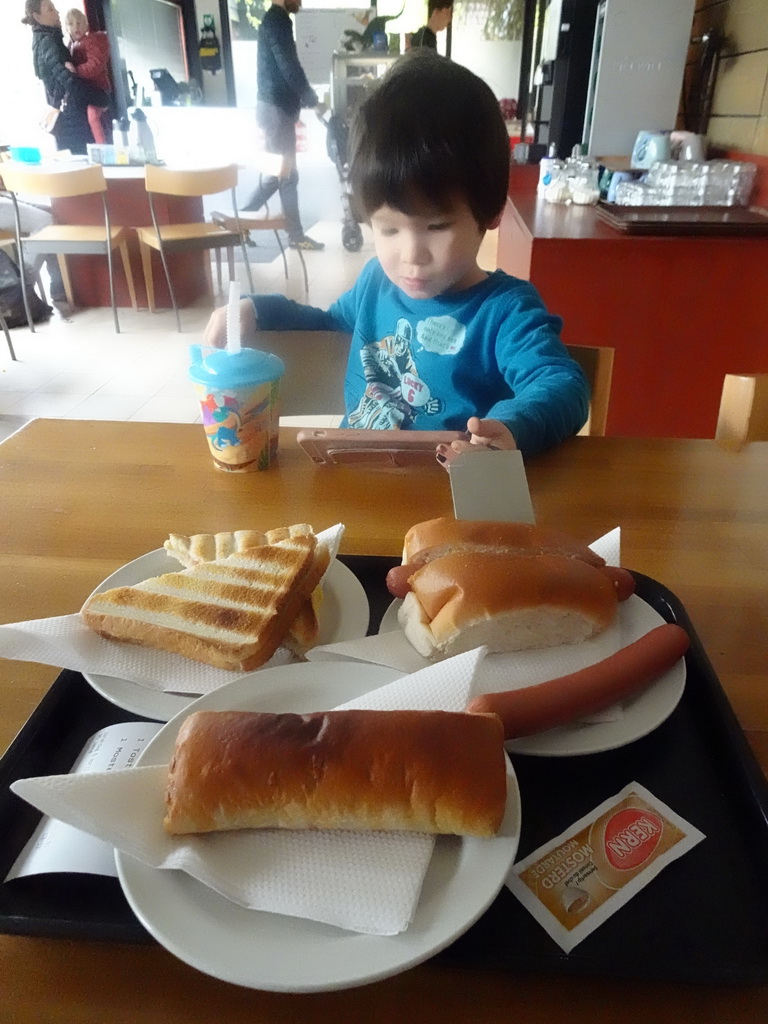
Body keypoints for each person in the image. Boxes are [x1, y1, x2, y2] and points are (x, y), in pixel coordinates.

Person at [204, 50, 589, 459]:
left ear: (490, 211)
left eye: (437, 227)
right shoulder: (375, 282)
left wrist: (514, 425)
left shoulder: (505, 310)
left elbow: (561, 383)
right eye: (388, 228)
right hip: (354, 482)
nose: (411, 255)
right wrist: (257, 311)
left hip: (450, 498)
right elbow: (328, 326)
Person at [241, 0, 326, 252]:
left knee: (279, 174)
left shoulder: (275, 20)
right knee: (286, 175)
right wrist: (312, 100)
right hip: (275, 109)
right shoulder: (277, 20)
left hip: (274, 109)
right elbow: (288, 66)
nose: (300, 1)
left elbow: (287, 67)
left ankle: (238, 222)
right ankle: (295, 235)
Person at [21, 0, 109, 155]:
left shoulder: (47, 40)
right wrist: (100, 97)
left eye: (54, 8)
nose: (57, 12)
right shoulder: (48, 42)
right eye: (50, 9)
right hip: (72, 119)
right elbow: (67, 80)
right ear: (37, 17)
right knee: (85, 165)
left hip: (68, 115)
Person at [64, 8, 111, 145]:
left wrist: (75, 71)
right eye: (71, 24)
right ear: (66, 28)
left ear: (86, 24)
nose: (76, 26)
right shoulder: (72, 45)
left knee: (93, 115)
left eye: (79, 23)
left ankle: (102, 146)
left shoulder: (92, 41)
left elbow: (95, 65)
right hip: (88, 90)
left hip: (99, 88)